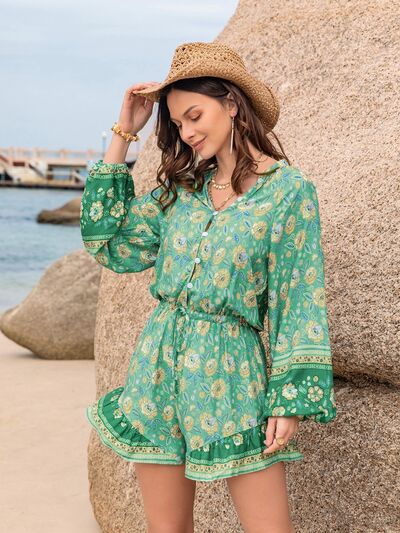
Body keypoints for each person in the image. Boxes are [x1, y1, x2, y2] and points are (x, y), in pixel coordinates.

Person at [80, 41, 337, 533]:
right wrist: (125, 133)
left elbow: (299, 297)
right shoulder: (182, 192)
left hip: (233, 373)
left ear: (232, 104)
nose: (187, 132)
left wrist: (289, 399)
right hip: (157, 370)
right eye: (178, 123)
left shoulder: (288, 192)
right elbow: (106, 242)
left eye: (194, 115)